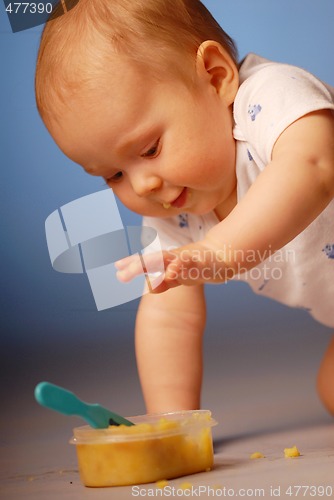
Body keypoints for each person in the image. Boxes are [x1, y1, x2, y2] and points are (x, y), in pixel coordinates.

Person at [35, 0, 334, 415]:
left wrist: (217, 251)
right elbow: (169, 318)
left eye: (150, 149)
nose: (143, 185)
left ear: (215, 77)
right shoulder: (177, 211)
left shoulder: (270, 99)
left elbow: (315, 167)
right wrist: (174, 425)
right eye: (113, 175)